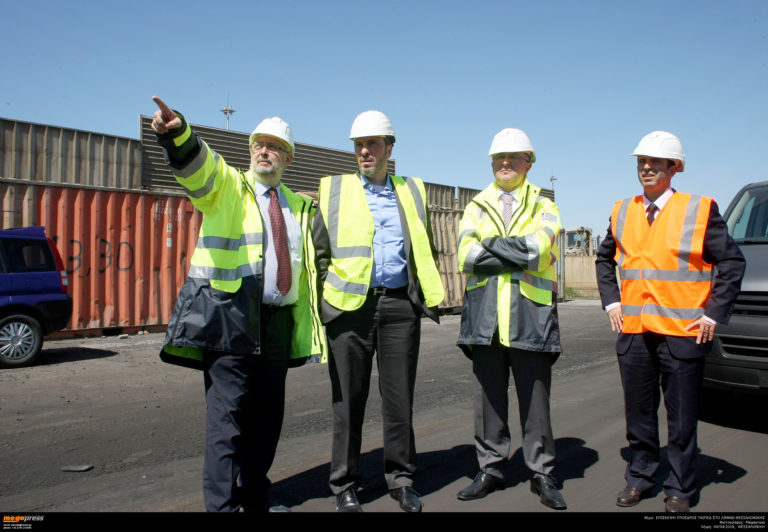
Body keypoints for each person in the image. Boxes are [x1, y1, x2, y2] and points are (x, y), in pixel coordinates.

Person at [150, 96, 326, 512]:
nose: (264, 151)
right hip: (230, 320)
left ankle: (255, 494)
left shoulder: (299, 206)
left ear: (288, 156)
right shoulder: (229, 187)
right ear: (251, 153)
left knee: (268, 421)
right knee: (226, 423)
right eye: (258, 145)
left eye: (274, 146)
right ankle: (223, 507)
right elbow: (199, 167)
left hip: (279, 323)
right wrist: (179, 135)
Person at [596, 131, 745, 513]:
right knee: (639, 413)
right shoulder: (622, 210)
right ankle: (641, 477)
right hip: (634, 332)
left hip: (683, 332)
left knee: (681, 418)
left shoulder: (699, 209)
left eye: (655, 162)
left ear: (673, 168)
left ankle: (680, 486)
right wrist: (611, 301)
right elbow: (604, 259)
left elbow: (731, 262)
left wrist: (714, 311)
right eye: (641, 162)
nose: (646, 168)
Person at [312, 110, 444, 512]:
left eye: (372, 144)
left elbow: (424, 245)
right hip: (349, 308)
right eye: (358, 145)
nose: (365, 151)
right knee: (347, 400)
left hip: (400, 305)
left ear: (389, 146)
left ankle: (401, 478)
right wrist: (328, 300)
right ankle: (344, 483)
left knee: (398, 397)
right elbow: (318, 254)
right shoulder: (334, 191)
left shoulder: (413, 190)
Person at [455, 128, 566, 510]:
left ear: (528, 162)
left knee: (535, 400)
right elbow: (466, 255)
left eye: (513, 157)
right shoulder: (476, 205)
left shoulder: (544, 205)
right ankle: (490, 469)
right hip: (485, 317)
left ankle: (542, 472)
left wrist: (493, 248)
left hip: (529, 315)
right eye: (498, 158)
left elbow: (540, 247)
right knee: (486, 401)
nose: (504, 163)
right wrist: (517, 251)